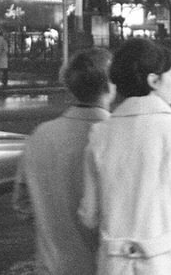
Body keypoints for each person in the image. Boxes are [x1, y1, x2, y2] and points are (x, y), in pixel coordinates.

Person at [79, 38, 171, 274]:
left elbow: (89, 215)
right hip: (168, 265)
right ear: (153, 80)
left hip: (114, 266)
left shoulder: (100, 134)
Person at [14, 48, 115, 274]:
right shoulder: (116, 139)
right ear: (110, 86)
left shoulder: (40, 135)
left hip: (51, 265)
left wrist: (52, 226)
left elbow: (22, 203)